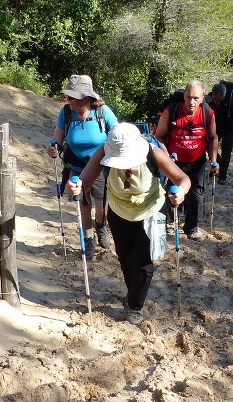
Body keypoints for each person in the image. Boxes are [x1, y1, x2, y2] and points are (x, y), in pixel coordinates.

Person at [69, 123, 191, 324]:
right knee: (125, 259)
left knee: (143, 264)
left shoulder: (153, 152)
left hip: (151, 209)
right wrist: (76, 187)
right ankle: (132, 295)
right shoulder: (104, 151)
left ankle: (135, 306)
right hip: (118, 210)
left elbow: (182, 178)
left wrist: (181, 192)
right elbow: (85, 182)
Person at [46, 74, 117, 259]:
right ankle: (88, 240)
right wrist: (53, 147)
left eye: (72, 97)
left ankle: (101, 225)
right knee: (84, 205)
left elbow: (118, 134)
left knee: (102, 208)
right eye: (68, 96)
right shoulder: (66, 112)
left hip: (100, 166)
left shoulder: (103, 112)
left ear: (85, 98)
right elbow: (57, 137)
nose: (68, 100)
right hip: (76, 166)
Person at [153, 80, 219, 240]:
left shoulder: (207, 114)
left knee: (196, 195)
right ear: (184, 96)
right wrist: (166, 156)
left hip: (197, 161)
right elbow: (159, 136)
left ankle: (191, 228)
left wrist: (213, 159)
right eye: (189, 97)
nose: (191, 101)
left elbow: (212, 137)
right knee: (172, 193)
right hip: (174, 162)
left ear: (202, 98)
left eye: (196, 98)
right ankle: (171, 222)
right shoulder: (171, 111)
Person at [208, 81, 233, 185]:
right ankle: (216, 165)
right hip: (215, 126)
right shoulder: (210, 98)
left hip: (230, 127)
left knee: (226, 152)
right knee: (210, 148)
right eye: (214, 96)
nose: (216, 99)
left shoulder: (232, 98)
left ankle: (222, 176)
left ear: (222, 94)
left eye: (218, 97)